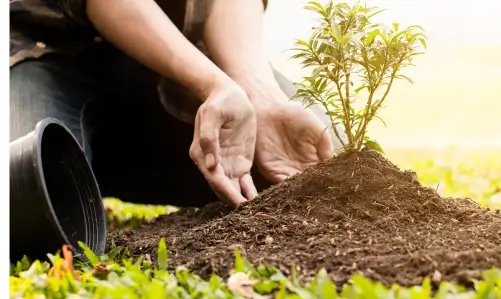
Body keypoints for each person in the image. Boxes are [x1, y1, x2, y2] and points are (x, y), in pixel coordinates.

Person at [10, 0, 337, 208]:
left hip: (185, 56)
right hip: (45, 50)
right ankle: (79, 170)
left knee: (317, 165)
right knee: (28, 190)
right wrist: (213, 83)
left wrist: (257, 95)